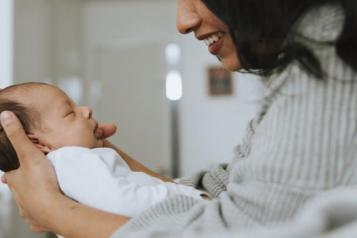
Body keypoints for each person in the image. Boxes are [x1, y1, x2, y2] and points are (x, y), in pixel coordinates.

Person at [1, 0, 357, 237]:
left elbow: (233, 221)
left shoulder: (332, 51)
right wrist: (99, 148)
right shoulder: (303, 65)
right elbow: (216, 191)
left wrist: (53, 211)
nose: (182, 20)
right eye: (68, 110)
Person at [0, 82, 203, 218]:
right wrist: (187, 196)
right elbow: (125, 204)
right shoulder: (68, 159)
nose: (86, 110)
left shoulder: (64, 167)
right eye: (70, 113)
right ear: (40, 144)